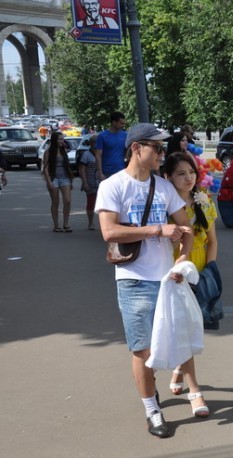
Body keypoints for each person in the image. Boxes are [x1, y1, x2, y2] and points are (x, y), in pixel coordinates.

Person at [95, 123, 194, 438]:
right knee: (142, 351)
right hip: (133, 279)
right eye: (157, 148)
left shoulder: (163, 188)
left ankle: (158, 391)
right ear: (137, 148)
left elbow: (187, 227)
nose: (162, 154)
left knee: (169, 342)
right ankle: (152, 411)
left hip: (166, 280)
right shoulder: (113, 186)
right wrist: (156, 229)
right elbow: (109, 232)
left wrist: (183, 256)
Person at [163, 151, 218, 418]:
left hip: (199, 269)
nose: (188, 178)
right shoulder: (162, 205)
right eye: (181, 174)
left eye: (192, 173)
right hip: (172, 270)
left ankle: (178, 369)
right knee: (181, 326)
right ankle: (194, 390)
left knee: (192, 325)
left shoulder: (204, 200)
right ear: (168, 177)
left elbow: (213, 240)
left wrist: (210, 269)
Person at [43, 131, 78, 232]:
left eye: (62, 139)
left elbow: (67, 166)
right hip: (54, 178)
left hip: (65, 178)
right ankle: (56, 225)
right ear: (54, 140)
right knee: (55, 202)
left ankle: (66, 224)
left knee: (67, 201)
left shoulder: (64, 151)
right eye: (59, 139)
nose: (61, 141)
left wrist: (71, 180)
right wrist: (49, 182)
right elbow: (45, 168)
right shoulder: (48, 152)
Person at [95, 111, 127, 181]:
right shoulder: (102, 136)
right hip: (106, 172)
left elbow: (128, 152)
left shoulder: (125, 135)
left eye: (124, 123)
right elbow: (98, 155)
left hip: (122, 171)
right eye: (121, 123)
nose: (123, 125)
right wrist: (100, 172)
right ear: (114, 122)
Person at [78, 134, 100, 230]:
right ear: (91, 144)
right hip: (90, 181)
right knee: (91, 202)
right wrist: (85, 182)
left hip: (101, 181)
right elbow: (82, 169)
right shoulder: (86, 154)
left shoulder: (102, 153)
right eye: (95, 142)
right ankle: (90, 222)